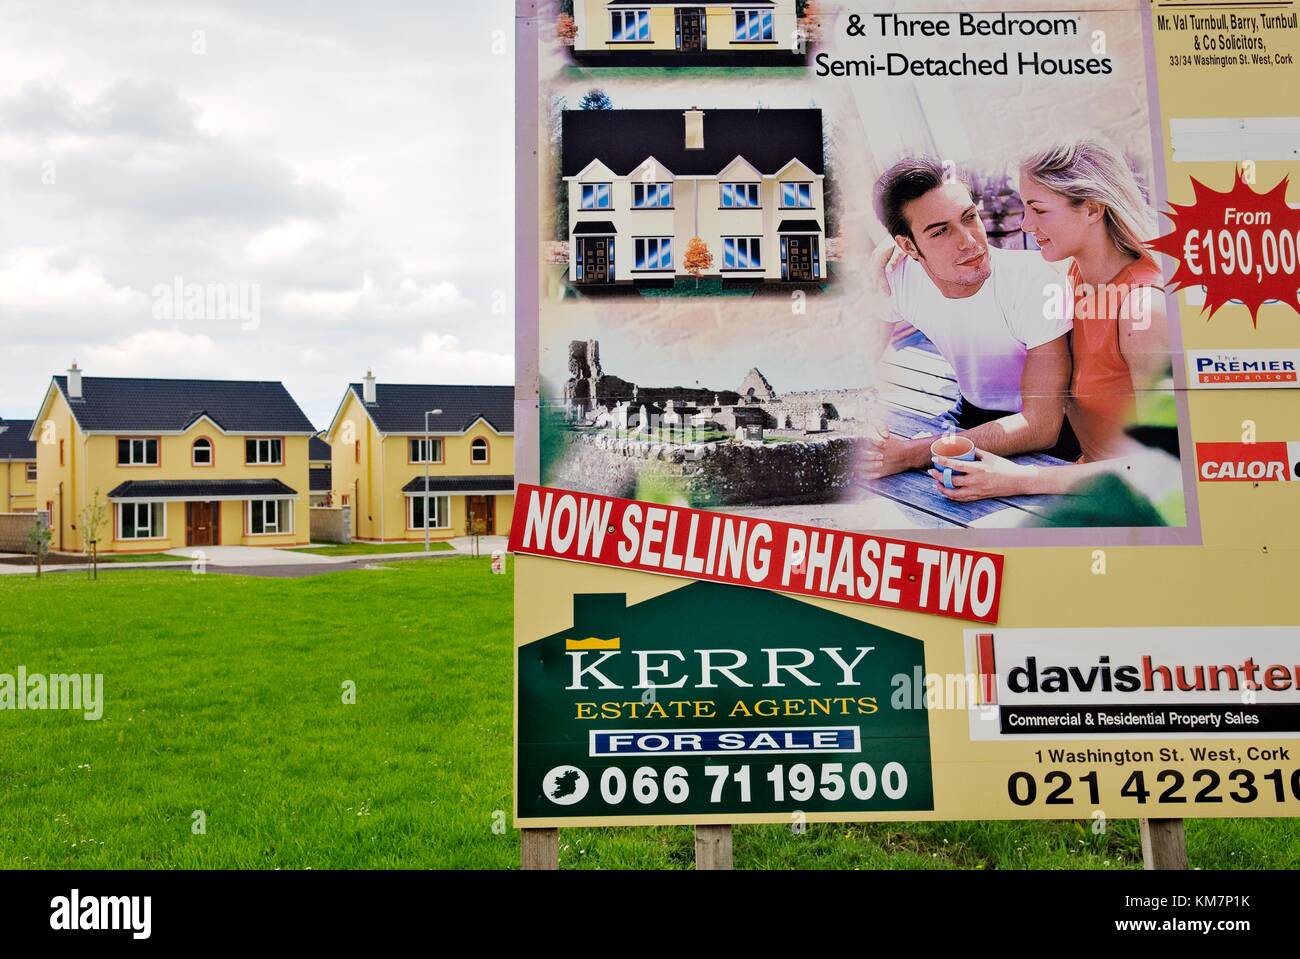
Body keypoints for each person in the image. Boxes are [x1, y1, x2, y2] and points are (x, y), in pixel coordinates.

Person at [929, 136, 1170, 501]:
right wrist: (904, 248)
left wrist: (1022, 479)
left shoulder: (1144, 312)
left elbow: (1165, 466)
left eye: (1039, 210)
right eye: (1025, 207)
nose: (1026, 224)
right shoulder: (1071, 275)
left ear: (1091, 209)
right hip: (1079, 478)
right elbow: (994, 270)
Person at [863, 156, 1074, 480]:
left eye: (969, 217)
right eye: (940, 231)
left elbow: (1041, 426)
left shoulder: (1035, 283)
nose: (970, 241)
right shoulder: (896, 276)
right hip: (972, 416)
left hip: (1056, 438)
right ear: (907, 246)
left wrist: (910, 454)